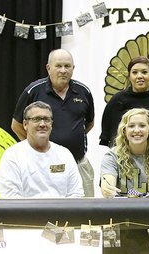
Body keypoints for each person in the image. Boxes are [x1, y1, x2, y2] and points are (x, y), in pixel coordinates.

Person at [11, 49, 95, 197]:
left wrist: (70, 137)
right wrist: (36, 148)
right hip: (42, 167)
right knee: (48, 213)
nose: (63, 70)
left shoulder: (84, 92)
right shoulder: (33, 91)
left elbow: (89, 124)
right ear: (48, 68)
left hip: (78, 163)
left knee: (86, 214)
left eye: (67, 66)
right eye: (59, 66)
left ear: (73, 68)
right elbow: (17, 125)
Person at [0, 101, 84, 198]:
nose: (42, 124)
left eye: (46, 119)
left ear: (51, 124)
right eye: (36, 119)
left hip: (61, 213)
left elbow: (76, 194)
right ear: (25, 124)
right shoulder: (12, 156)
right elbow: (11, 198)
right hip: (25, 213)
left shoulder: (65, 154)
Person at [99, 56, 149, 152]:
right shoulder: (116, 101)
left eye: (144, 72)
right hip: (124, 161)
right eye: (134, 72)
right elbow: (109, 137)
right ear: (129, 77)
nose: (139, 76)